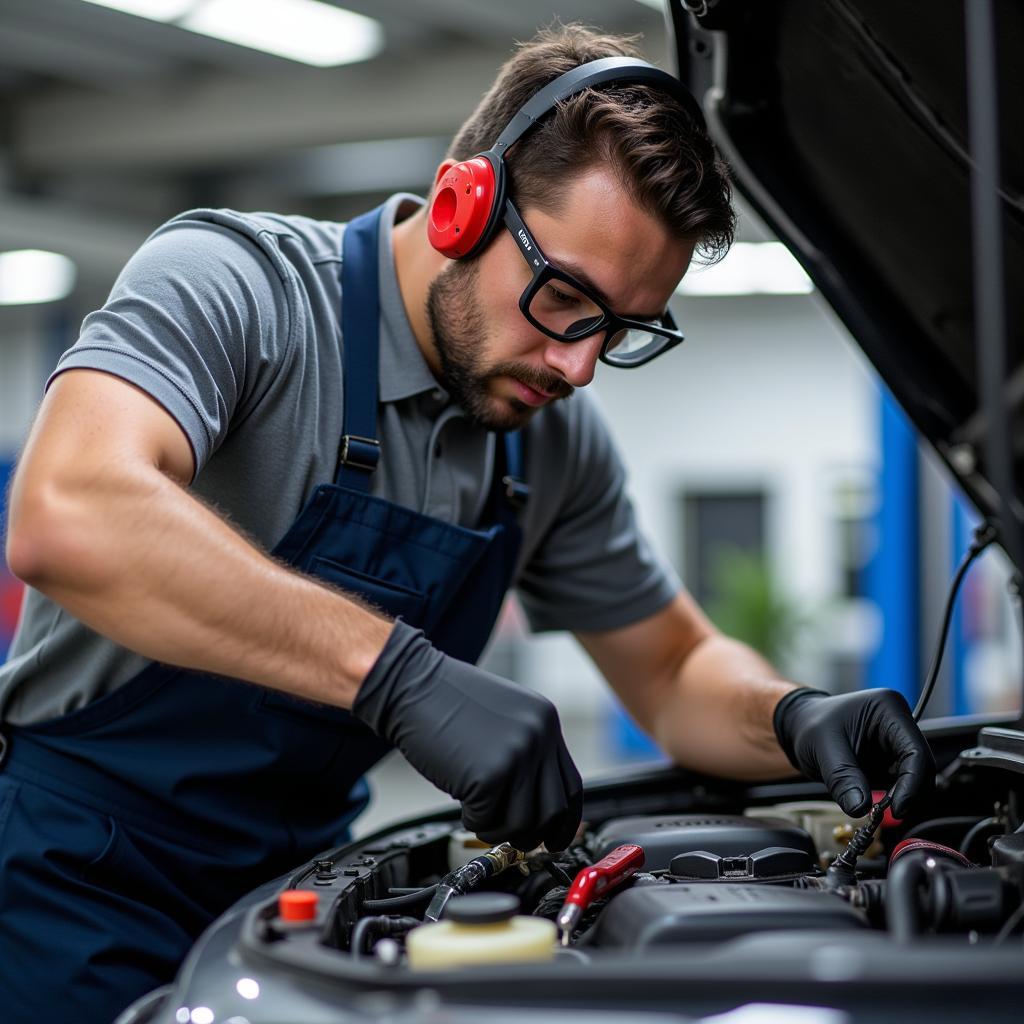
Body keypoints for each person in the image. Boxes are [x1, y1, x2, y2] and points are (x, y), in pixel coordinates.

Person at [0, 23, 933, 1024]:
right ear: (460, 205)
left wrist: (792, 716)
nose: (577, 366)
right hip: (74, 880)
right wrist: (397, 673)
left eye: (617, 330)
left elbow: (668, 670)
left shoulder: (547, 446)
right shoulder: (240, 287)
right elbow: (70, 512)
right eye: (566, 297)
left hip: (293, 903)